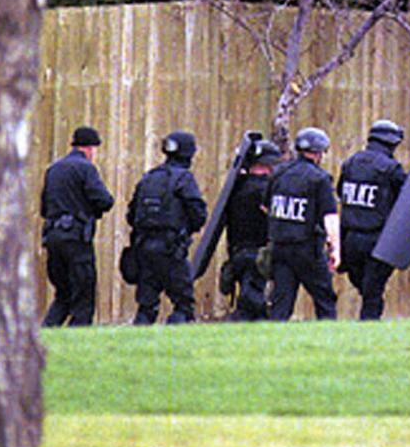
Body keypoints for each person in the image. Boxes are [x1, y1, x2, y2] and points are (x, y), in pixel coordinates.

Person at [126, 131, 208, 324]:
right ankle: (174, 345)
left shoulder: (149, 178)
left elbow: (131, 215)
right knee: (183, 305)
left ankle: (137, 346)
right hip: (171, 251)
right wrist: (185, 231)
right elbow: (198, 213)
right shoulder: (183, 179)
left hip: (144, 249)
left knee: (146, 307)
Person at [40, 125, 115, 326]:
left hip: (53, 237)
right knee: (84, 295)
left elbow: (44, 208)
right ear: (90, 149)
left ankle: (48, 333)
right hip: (75, 239)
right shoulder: (86, 168)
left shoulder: (53, 169)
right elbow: (104, 200)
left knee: (63, 295)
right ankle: (78, 336)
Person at [264, 127, 340, 321]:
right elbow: (330, 217)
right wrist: (335, 250)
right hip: (307, 249)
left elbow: (265, 207)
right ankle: (328, 345)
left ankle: (273, 346)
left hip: (280, 247)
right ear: (318, 153)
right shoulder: (319, 178)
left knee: (281, 304)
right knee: (325, 301)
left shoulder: (278, 173)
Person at [337, 119, 407, 320]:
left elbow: (341, 193)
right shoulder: (391, 168)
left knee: (367, 288)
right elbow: (408, 200)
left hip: (350, 240)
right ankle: (369, 327)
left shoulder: (350, 163)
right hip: (378, 241)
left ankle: (369, 321)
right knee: (373, 292)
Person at [223, 139, 282, 321]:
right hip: (258, 254)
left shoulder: (236, 188)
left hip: (238, 252)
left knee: (253, 305)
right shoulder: (266, 190)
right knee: (250, 305)